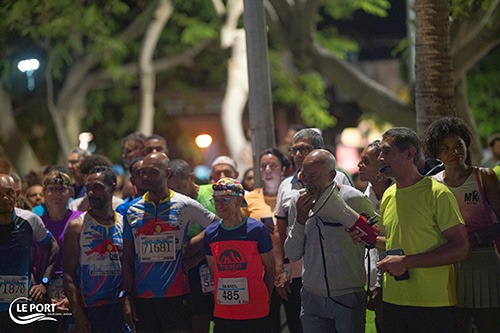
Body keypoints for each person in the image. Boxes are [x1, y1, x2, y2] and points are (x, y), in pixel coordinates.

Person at [374, 127, 470, 333]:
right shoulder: (389, 195)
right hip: (394, 301)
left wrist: (407, 262)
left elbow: (461, 248)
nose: (380, 157)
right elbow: (396, 242)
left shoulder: (437, 193)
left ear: (409, 154)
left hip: (432, 304)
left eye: (386, 151)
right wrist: (368, 238)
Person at [120, 152, 218, 333]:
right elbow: (127, 256)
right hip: (143, 298)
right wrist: (126, 295)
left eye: (153, 172)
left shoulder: (184, 204)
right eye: (142, 172)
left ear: (167, 173)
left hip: (177, 295)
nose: (145, 177)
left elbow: (218, 225)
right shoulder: (132, 210)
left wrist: (198, 254)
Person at [422, 117, 500, 333]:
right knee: (456, 326)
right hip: (449, 267)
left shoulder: (484, 177)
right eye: (445, 148)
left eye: (458, 145)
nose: (454, 151)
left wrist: (475, 238)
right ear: (436, 154)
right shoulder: (432, 184)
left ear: (466, 145)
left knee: (489, 324)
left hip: (484, 263)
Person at [285, 149, 375, 333]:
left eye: (314, 176)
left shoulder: (354, 199)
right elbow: (293, 253)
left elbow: (374, 238)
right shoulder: (298, 201)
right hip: (311, 295)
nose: (307, 182)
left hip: (347, 294)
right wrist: (300, 219)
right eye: (305, 175)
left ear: (332, 175)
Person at [273, 128, 352, 333]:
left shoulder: (340, 180)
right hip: (300, 272)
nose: (299, 155)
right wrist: (281, 269)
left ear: (319, 149)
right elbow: (280, 230)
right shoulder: (286, 186)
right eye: (294, 150)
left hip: (337, 275)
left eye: (304, 149)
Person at [204, 178, 275, 333]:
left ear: (239, 200)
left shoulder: (257, 230)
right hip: (224, 312)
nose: (219, 205)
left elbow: (270, 269)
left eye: (225, 200)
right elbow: (214, 271)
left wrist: (264, 296)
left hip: (255, 311)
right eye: (216, 200)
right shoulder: (211, 233)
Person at [63, 166, 128, 332]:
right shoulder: (77, 227)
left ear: (112, 187)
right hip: (90, 308)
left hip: (118, 306)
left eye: (97, 187)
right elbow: (68, 273)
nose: (91, 193)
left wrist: (128, 301)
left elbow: (129, 266)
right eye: (88, 189)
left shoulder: (124, 223)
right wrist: (77, 313)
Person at [0, 173, 59, 331]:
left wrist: (44, 283)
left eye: (9, 193)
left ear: (17, 194)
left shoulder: (29, 220)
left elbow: (53, 247)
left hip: (21, 307)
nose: (4, 198)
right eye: (0, 194)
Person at [242, 148, 291, 333]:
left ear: (283, 169)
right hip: (263, 270)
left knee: (295, 321)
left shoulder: (290, 196)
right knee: (267, 323)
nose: (268, 170)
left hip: (291, 267)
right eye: (263, 166)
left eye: (273, 165)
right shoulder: (250, 198)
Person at [168, 159, 215, 333]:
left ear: (191, 177)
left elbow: (224, 227)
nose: (177, 194)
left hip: (218, 266)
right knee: (199, 318)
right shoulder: (171, 203)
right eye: (172, 190)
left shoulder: (212, 192)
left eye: (180, 188)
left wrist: (197, 253)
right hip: (191, 275)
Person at [34, 171, 83, 314]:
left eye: (61, 189)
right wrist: (41, 292)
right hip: (44, 289)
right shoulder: (37, 223)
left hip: (76, 285)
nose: (56, 194)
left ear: (71, 192)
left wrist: (74, 297)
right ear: (44, 194)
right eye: (51, 189)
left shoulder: (80, 220)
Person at [357, 140, 393, 331]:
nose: (358, 165)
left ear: (381, 166)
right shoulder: (362, 200)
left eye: (365, 161)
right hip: (372, 279)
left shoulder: (400, 194)